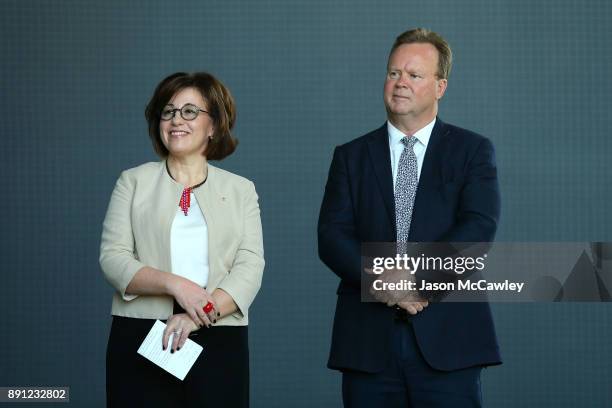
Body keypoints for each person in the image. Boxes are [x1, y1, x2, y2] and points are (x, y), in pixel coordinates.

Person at [318, 28, 501, 407]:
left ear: (440, 87)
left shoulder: (472, 150)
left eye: (414, 75)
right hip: (368, 344)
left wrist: (417, 279)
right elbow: (332, 237)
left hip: (449, 338)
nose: (400, 83)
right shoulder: (350, 156)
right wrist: (385, 281)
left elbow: (477, 229)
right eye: (393, 73)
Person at [100, 72, 264, 408]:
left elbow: (250, 267)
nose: (177, 120)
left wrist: (198, 313)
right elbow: (113, 259)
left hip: (218, 335)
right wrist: (177, 286)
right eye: (168, 111)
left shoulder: (241, 189)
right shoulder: (132, 182)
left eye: (190, 111)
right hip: (141, 334)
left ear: (214, 125)